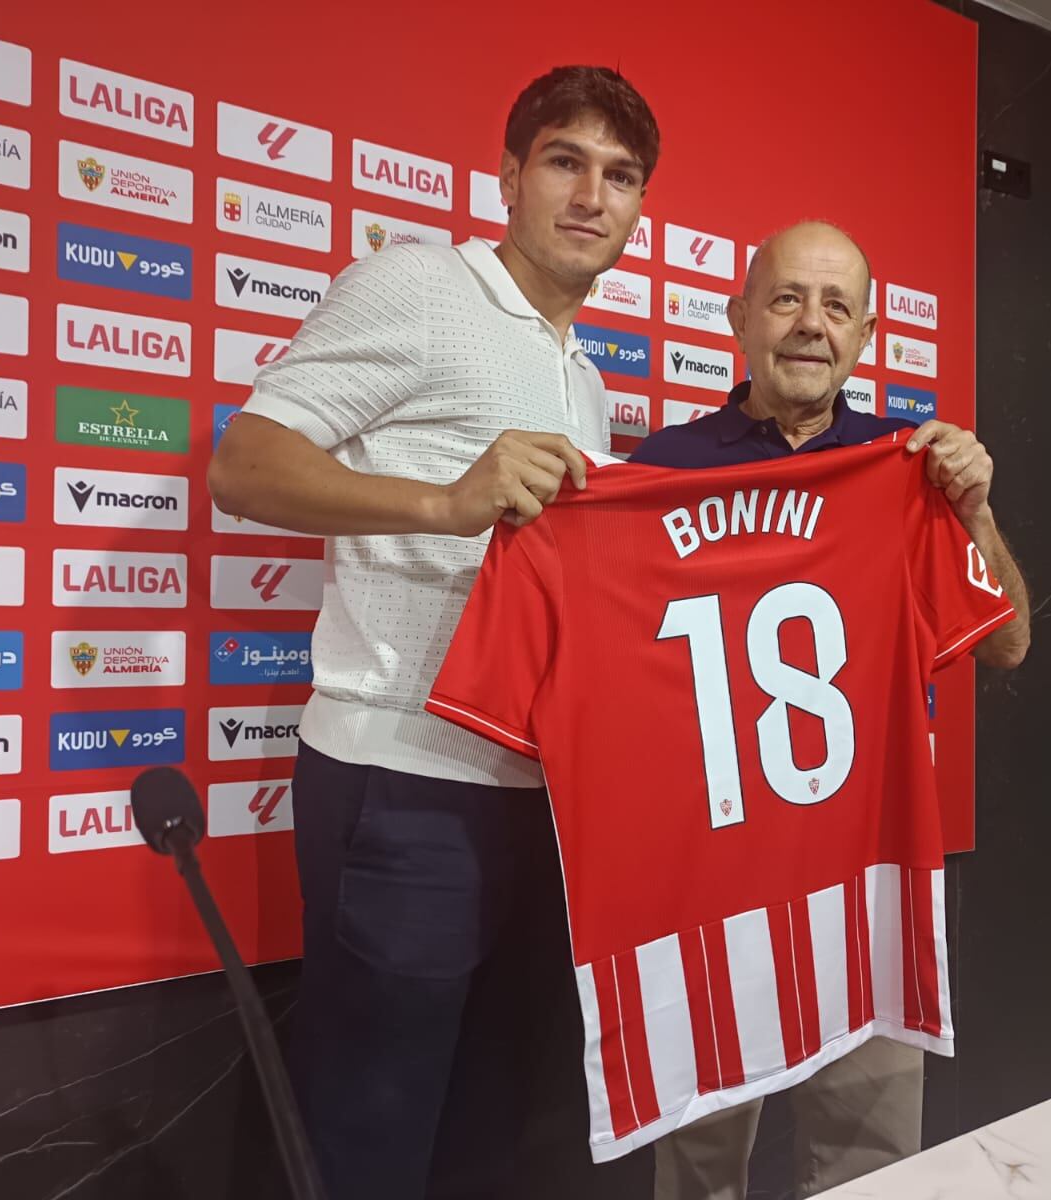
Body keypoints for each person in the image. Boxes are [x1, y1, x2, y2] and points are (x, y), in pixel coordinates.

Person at [207, 66, 660, 1199]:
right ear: (508, 176)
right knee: (368, 1133)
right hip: (400, 782)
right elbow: (244, 466)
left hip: (528, 798)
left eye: (621, 176)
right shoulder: (416, 286)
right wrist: (440, 503)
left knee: (484, 1130)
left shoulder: (584, 377)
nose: (591, 195)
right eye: (565, 161)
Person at [630, 219, 1030, 1200]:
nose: (812, 324)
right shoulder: (658, 471)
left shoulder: (912, 471)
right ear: (737, 317)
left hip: (872, 880)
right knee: (697, 1168)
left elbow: (1008, 646)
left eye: (836, 305)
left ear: (862, 335)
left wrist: (973, 512)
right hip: (709, 885)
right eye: (787, 298)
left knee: (871, 1165)